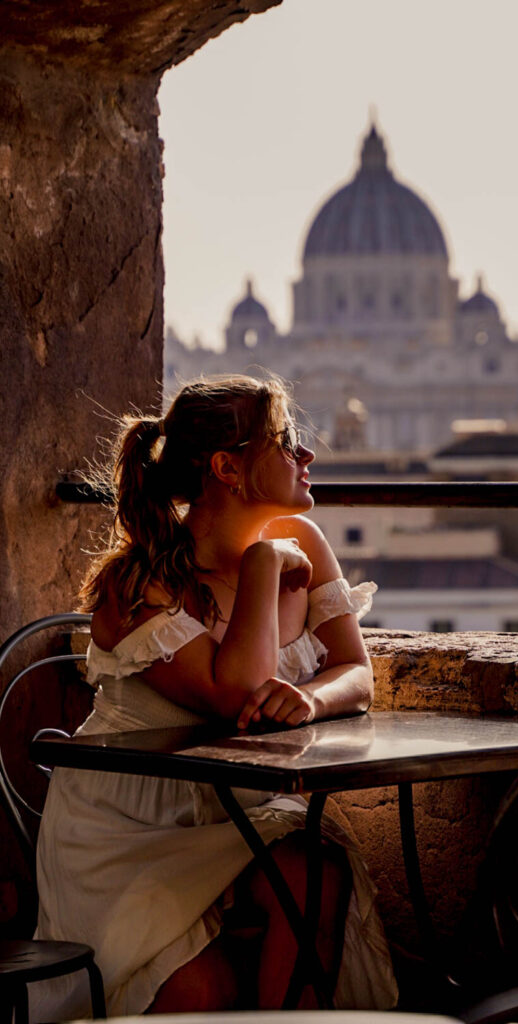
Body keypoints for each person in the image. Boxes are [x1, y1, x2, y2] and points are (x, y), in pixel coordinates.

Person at [31, 375, 398, 1020]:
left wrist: (309, 700)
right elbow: (239, 696)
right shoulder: (141, 583)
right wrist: (261, 567)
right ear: (228, 467)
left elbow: (354, 671)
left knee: (317, 875)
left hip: (238, 808)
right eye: (287, 442)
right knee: (203, 995)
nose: (307, 456)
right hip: (131, 825)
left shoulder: (305, 542)